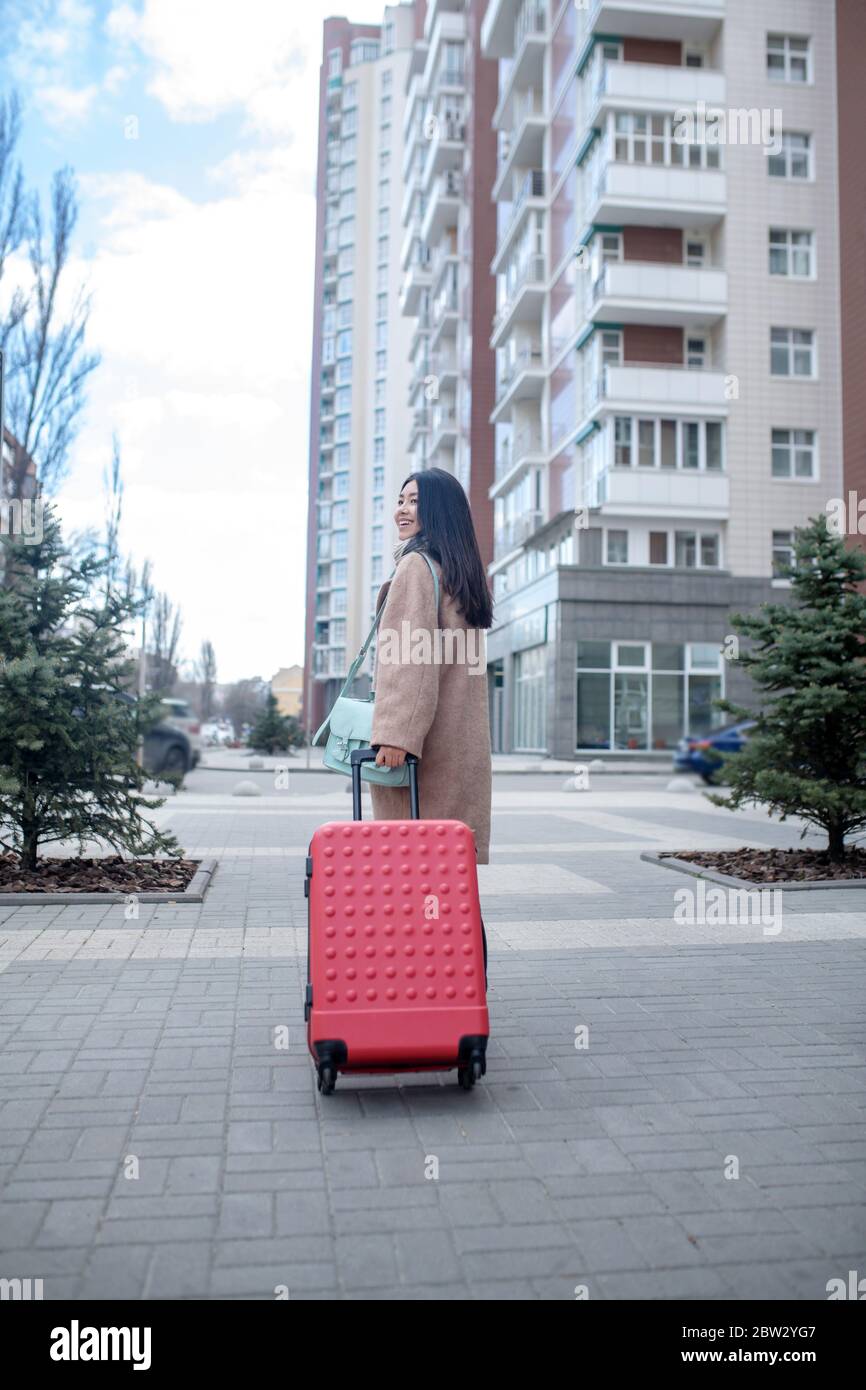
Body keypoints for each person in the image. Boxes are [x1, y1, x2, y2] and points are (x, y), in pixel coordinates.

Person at [370, 468, 494, 978]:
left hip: (423, 757)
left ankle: (423, 988)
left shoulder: (418, 569)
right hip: (458, 751)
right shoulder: (459, 574)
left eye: (414, 501)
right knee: (451, 881)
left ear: (436, 511)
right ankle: (464, 987)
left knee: (415, 876)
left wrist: (395, 736)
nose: (401, 509)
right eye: (399, 500)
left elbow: (408, 664)